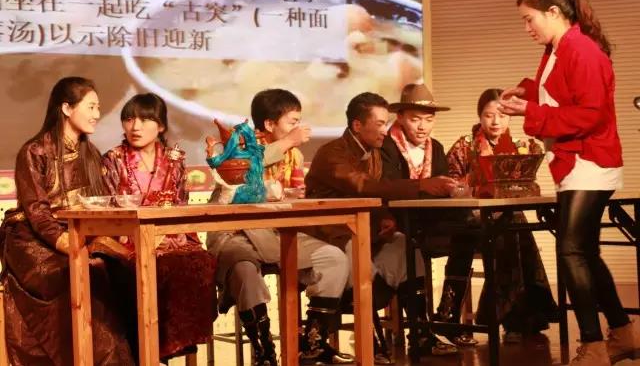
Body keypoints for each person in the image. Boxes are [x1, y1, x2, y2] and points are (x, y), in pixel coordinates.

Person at [499, 0, 639, 365]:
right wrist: (528, 93)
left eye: (529, 19)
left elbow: (589, 114)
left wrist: (530, 111)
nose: (527, 28)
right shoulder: (558, 49)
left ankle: (593, 344)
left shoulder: (582, 50)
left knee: (571, 251)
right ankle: (623, 333)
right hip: (577, 162)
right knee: (584, 252)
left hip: (590, 160)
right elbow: (562, 95)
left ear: (554, 12)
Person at [305, 91, 459, 360]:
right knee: (358, 256)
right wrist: (421, 185)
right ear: (357, 125)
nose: (385, 130)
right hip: (332, 235)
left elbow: (374, 195)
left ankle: (421, 333)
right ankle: (328, 341)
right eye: (379, 124)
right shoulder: (332, 153)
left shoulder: (374, 152)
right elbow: (362, 186)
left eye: (386, 123)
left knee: (405, 247)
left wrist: (384, 217)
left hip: (363, 231)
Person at [206, 88, 353, 365]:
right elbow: (248, 164)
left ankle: (312, 342)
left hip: (277, 233)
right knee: (244, 270)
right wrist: (287, 141)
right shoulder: (239, 144)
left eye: (299, 121)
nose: (298, 128)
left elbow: (292, 192)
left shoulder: (293, 155)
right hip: (235, 232)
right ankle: (265, 353)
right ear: (269, 124)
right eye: (292, 122)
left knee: (333, 257)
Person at [0, 77, 135, 365]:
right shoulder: (35, 151)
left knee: (122, 270)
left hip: (80, 234)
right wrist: (67, 243)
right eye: (91, 106)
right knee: (74, 272)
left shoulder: (91, 153)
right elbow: (37, 211)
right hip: (33, 240)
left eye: (98, 107)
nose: (97, 114)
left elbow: (101, 203)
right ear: (66, 108)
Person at [101, 93, 217, 361]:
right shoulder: (113, 159)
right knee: (155, 267)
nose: (135, 127)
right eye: (129, 119)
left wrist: (169, 236)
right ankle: (152, 348)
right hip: (128, 240)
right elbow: (110, 207)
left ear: (161, 125)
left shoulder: (174, 160)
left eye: (144, 120)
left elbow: (181, 204)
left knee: (201, 262)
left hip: (171, 237)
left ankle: (178, 342)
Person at [446, 88, 557, 342]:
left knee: (514, 224)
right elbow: (450, 186)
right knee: (513, 227)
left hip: (505, 219)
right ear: (479, 116)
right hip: (472, 220)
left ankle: (519, 315)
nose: (495, 121)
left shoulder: (518, 147)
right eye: (488, 115)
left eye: (502, 115)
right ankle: (514, 318)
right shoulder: (465, 146)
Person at [379, 82, 480, 347]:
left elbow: (443, 186)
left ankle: (448, 313)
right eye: (415, 119)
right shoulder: (386, 146)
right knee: (408, 246)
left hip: (430, 221)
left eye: (429, 119)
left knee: (467, 236)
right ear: (400, 117)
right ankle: (420, 327)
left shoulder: (435, 146)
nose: (423, 127)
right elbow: (384, 188)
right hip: (398, 222)